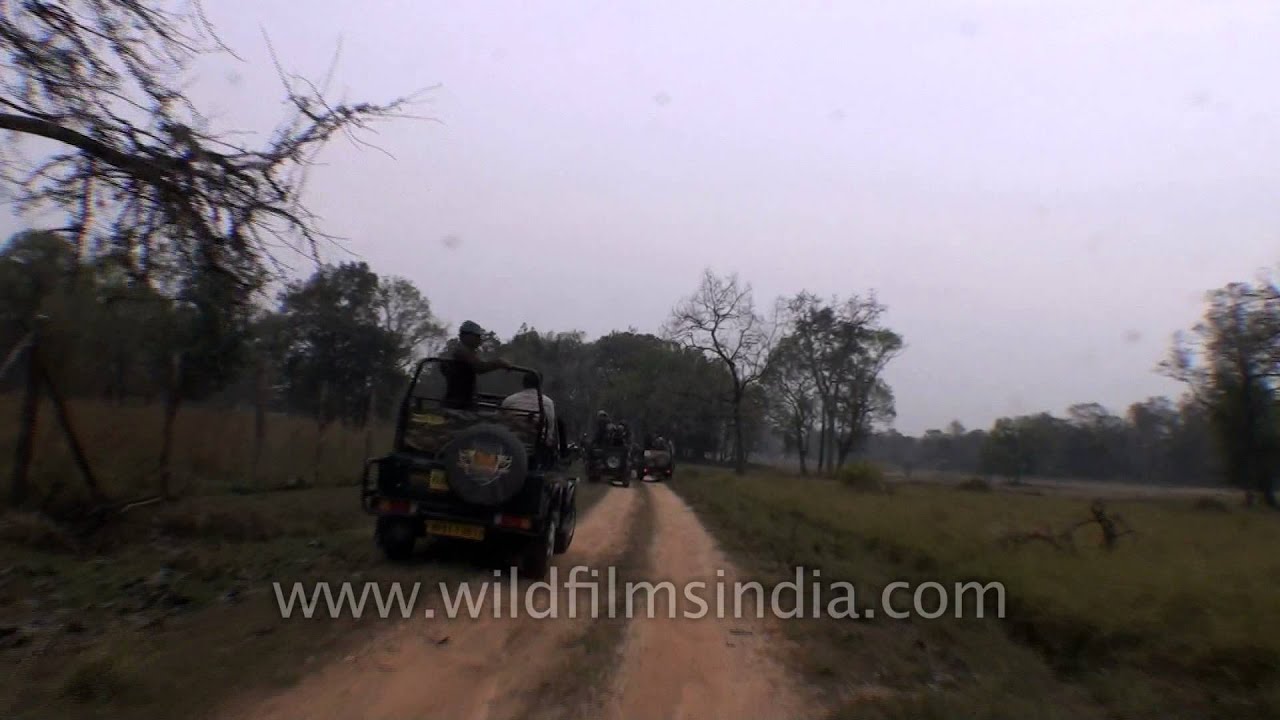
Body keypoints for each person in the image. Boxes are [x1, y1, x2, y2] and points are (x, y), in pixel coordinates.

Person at [442, 320, 511, 408]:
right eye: (477, 336)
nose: (479, 339)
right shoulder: (461, 351)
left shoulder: (466, 352)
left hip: (462, 402)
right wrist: (500, 363)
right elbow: (480, 367)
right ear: (466, 336)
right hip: (458, 405)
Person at [501, 371, 556, 448]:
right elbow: (549, 429)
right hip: (538, 446)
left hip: (511, 443)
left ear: (523, 383)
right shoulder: (548, 403)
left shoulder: (509, 400)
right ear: (540, 384)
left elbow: (502, 423)